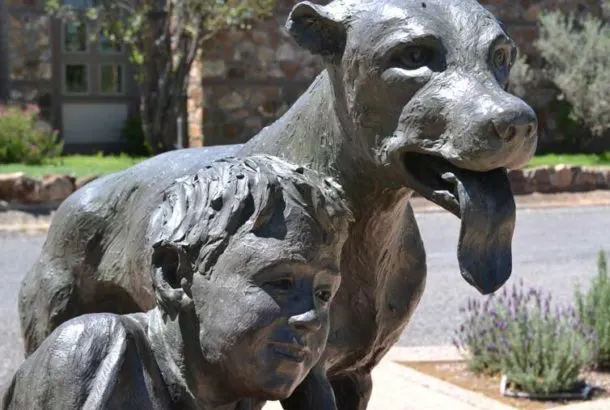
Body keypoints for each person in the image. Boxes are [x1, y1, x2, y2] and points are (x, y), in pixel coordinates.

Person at [2, 155, 353, 410]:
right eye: (282, 283)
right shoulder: (99, 356)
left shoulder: (237, 383)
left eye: (323, 293)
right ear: (174, 275)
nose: (311, 317)